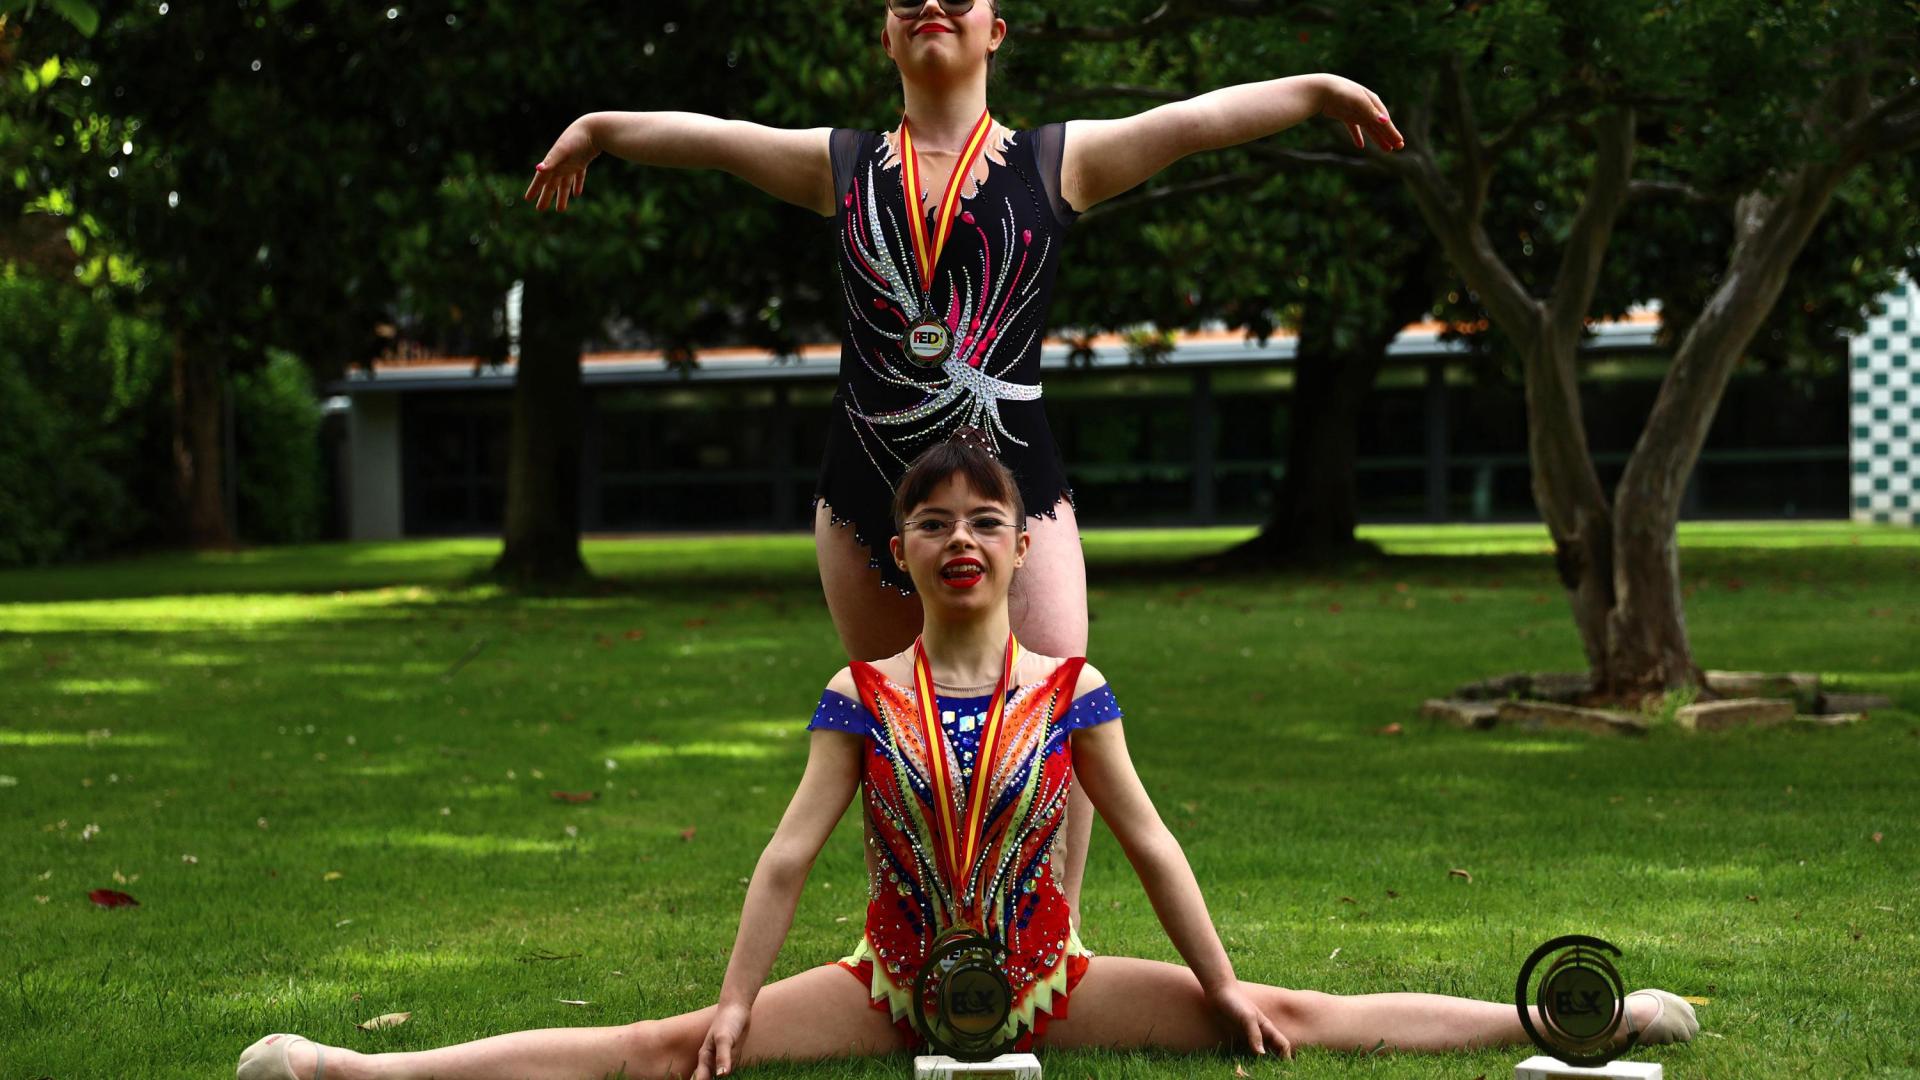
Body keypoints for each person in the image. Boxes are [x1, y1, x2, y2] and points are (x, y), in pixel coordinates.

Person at [237, 434, 1697, 1080]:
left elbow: (1146, 837)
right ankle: (362, 1072)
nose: (954, 540)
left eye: (981, 521)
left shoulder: (1072, 684)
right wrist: (741, 1003)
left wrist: (1217, 978)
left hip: (1050, 981)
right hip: (890, 985)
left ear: (1013, 546)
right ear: (905, 549)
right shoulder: (856, 685)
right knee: (669, 1046)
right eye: (928, 522)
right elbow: (791, 852)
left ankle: (1582, 1020)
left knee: (1293, 1014)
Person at [520, 0, 1409, 935]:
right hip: (866, 493)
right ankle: (911, 944)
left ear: (997, 32)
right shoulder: (843, 165)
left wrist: (1314, 90)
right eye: (908, 0)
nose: (932, 5)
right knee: (887, 737)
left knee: (1057, 715)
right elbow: (719, 140)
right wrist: (598, 130)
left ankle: (1051, 943)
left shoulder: (1056, 161)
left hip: (1013, 489)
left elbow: (1189, 124)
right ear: (887, 35)